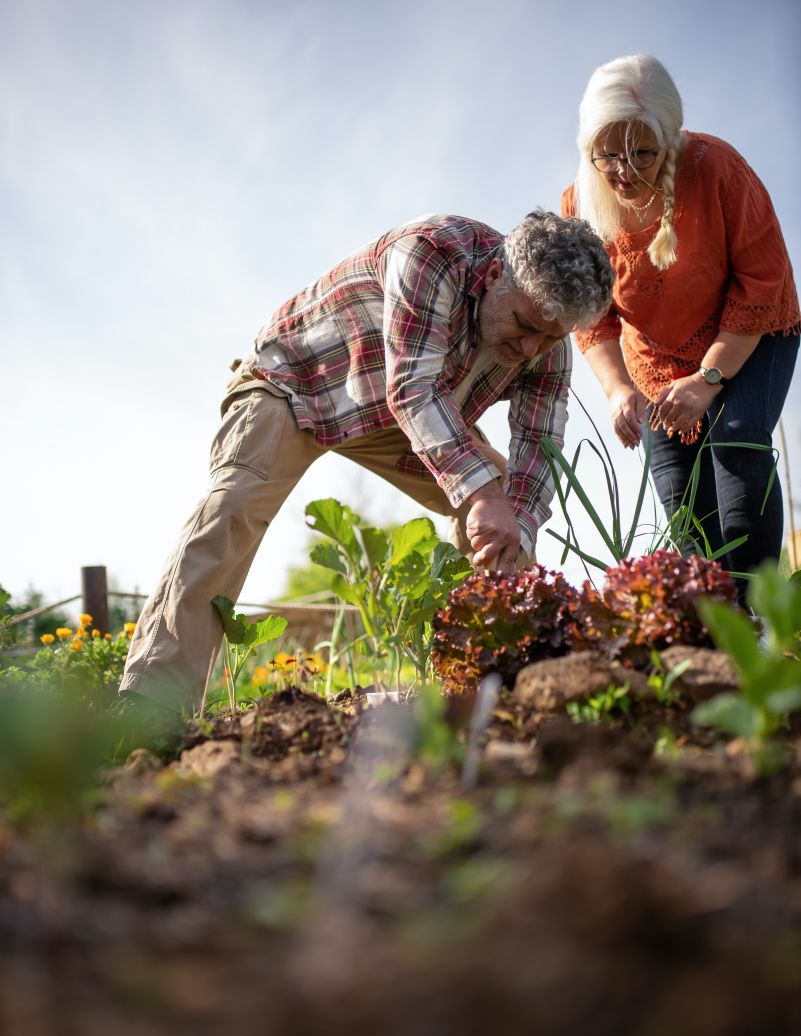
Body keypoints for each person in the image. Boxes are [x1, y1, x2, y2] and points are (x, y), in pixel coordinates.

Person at [120, 209, 614, 709]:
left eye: (551, 338)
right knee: (234, 506)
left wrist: (516, 529)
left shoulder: (547, 339)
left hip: (402, 422)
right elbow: (414, 388)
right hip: (301, 385)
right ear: (492, 278)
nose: (533, 347)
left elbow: (540, 441)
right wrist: (483, 493)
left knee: (505, 518)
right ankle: (153, 702)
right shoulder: (433, 252)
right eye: (524, 325)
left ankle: (492, 688)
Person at [562, 53, 800, 602]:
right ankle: (716, 633)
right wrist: (619, 389)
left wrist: (708, 379)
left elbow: (762, 284)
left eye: (641, 152)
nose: (623, 170)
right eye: (607, 156)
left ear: (669, 138)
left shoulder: (718, 168)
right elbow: (590, 313)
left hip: (749, 330)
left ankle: (765, 618)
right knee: (681, 496)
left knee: (735, 443)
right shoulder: (580, 203)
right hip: (658, 359)